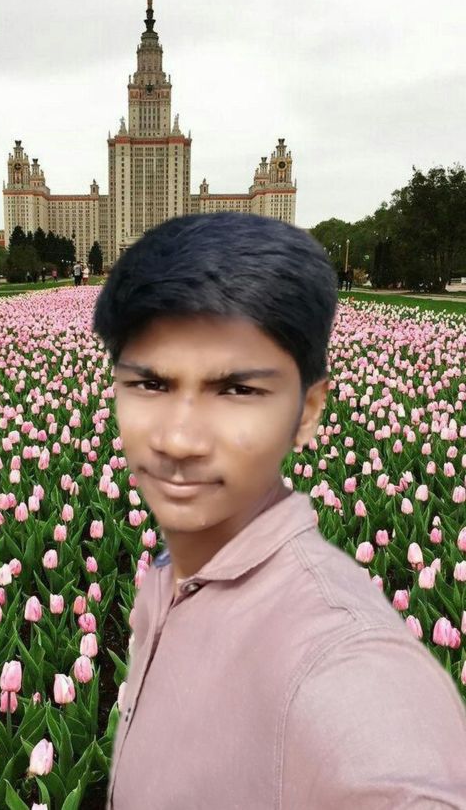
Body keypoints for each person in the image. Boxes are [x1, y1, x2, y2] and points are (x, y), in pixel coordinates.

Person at [93, 212, 466, 810]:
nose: (180, 437)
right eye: (152, 384)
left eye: (238, 389)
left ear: (307, 411)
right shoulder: (180, 580)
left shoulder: (342, 655)